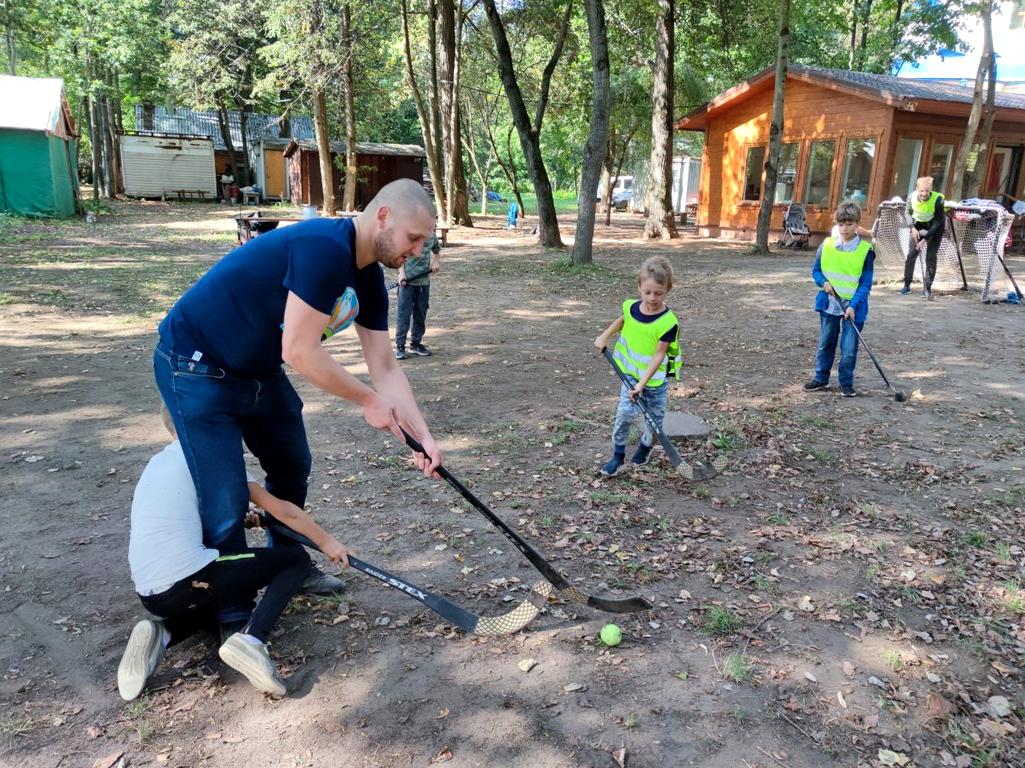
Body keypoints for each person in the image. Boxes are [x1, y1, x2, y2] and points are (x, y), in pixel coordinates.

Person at [153, 178, 443, 634]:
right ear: (383, 215)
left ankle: (286, 559)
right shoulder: (324, 247)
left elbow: (385, 366)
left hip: (256, 369)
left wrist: (422, 436)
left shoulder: (368, 278)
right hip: (195, 363)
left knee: (291, 464)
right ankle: (232, 614)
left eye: (425, 241)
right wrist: (367, 400)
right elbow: (300, 351)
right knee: (225, 494)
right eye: (414, 238)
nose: (418, 250)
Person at [118, 408, 350, 701]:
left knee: (211, 600)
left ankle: (163, 634)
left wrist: (239, 512)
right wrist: (328, 542)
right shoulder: (213, 455)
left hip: (154, 593)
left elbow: (192, 516)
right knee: (294, 561)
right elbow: (284, 511)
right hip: (191, 577)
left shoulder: (160, 461)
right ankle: (252, 639)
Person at [594, 256, 681, 476]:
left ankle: (645, 446)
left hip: (654, 381)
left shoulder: (668, 322)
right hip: (630, 375)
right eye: (647, 292)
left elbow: (659, 355)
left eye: (658, 293)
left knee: (653, 421)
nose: (652, 298)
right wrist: (605, 335)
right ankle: (618, 457)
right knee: (624, 414)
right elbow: (623, 319)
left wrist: (642, 384)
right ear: (639, 287)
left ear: (667, 290)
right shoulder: (630, 307)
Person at [804, 200, 875, 397]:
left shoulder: (865, 251)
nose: (844, 228)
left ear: (857, 223)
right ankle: (821, 378)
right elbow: (817, 271)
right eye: (841, 224)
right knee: (826, 342)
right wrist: (823, 283)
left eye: (849, 224)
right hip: (830, 305)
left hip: (853, 308)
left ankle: (846, 383)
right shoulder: (826, 245)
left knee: (849, 348)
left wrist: (852, 306)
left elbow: (866, 284)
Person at [394, 232, 441, 360]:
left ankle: (415, 344)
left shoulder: (432, 236)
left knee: (421, 314)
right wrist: (401, 274)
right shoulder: (410, 235)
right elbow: (399, 255)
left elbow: (437, 251)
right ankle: (400, 345)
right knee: (404, 315)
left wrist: (436, 262)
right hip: (407, 283)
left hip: (424, 282)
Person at [900, 176, 944, 300]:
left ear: (930, 189)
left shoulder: (938, 200)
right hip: (918, 225)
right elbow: (907, 212)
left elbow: (938, 221)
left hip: (935, 227)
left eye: (927, 191)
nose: (924, 194)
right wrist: (912, 228)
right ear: (917, 189)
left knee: (930, 257)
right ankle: (907, 285)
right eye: (921, 191)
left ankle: (927, 288)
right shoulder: (911, 197)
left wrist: (925, 240)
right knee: (911, 254)